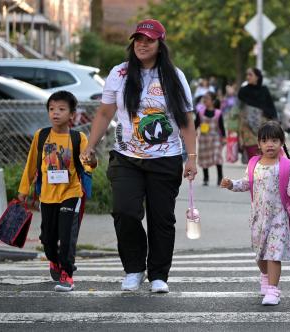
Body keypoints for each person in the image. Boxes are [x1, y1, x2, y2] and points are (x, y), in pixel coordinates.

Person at [80, 19, 197, 293]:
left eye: (149, 40)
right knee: (125, 211)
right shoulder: (119, 73)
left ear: (160, 45)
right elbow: (105, 113)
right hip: (125, 157)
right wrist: (90, 145)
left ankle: (158, 274)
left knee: (161, 218)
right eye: (138, 40)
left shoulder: (173, 76)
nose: (142, 45)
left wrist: (191, 157)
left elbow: (186, 120)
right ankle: (134, 268)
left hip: (165, 157)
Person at [220, 121, 290, 306]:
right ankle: (265, 276)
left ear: (281, 142)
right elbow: (246, 183)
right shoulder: (254, 163)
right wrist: (232, 184)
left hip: (278, 218)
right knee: (260, 255)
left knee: (273, 255)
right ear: (259, 144)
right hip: (258, 219)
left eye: (274, 140)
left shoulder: (286, 166)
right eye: (265, 140)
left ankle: (273, 290)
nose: (270, 144)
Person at [17, 90, 97, 292]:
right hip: (47, 195)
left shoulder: (78, 138)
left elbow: (88, 165)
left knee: (67, 236)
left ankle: (67, 274)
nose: (55, 113)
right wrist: (23, 190)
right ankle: (54, 260)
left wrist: (92, 160)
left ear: (71, 115)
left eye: (61, 109)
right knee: (48, 238)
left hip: (71, 193)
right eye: (52, 109)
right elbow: (31, 165)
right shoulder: (41, 136)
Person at [237, 67, 277, 160]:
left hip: (263, 126)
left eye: (250, 74)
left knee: (264, 151)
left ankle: (263, 173)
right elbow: (238, 109)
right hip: (247, 127)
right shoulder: (243, 91)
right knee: (252, 153)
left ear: (257, 77)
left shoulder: (264, 90)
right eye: (247, 74)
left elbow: (270, 106)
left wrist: (275, 121)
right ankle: (253, 172)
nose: (248, 77)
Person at [194, 91, 226, 186]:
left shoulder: (218, 113)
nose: (205, 100)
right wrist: (194, 131)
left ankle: (220, 177)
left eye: (207, 98)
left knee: (218, 157)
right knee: (204, 158)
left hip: (215, 138)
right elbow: (196, 125)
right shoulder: (200, 112)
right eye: (204, 98)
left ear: (213, 101)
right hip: (204, 139)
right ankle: (206, 178)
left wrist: (224, 137)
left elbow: (221, 126)